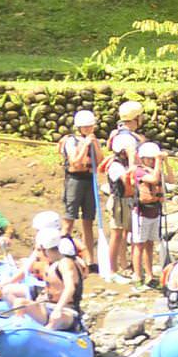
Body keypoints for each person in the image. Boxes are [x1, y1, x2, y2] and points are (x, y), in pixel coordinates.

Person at [105, 101, 148, 280]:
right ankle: (113, 270)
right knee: (117, 232)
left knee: (126, 231)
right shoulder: (125, 141)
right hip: (121, 195)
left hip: (126, 193)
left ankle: (124, 265)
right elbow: (130, 151)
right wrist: (133, 168)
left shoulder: (122, 134)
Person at [58, 108, 102, 261]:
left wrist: (94, 144)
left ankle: (90, 260)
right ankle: (64, 255)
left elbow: (100, 161)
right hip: (75, 181)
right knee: (69, 219)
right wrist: (85, 145)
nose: (89, 129)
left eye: (91, 126)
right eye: (86, 127)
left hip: (89, 181)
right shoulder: (72, 141)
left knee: (88, 221)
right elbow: (75, 162)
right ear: (79, 127)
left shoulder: (92, 140)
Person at [126, 141, 167, 285]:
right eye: (149, 158)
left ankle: (149, 275)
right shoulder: (139, 171)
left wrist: (165, 163)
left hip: (155, 211)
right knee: (139, 245)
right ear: (143, 158)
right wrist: (158, 162)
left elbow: (171, 180)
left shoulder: (156, 169)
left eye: (153, 158)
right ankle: (138, 274)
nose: (151, 161)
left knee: (150, 244)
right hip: (141, 213)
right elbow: (154, 179)